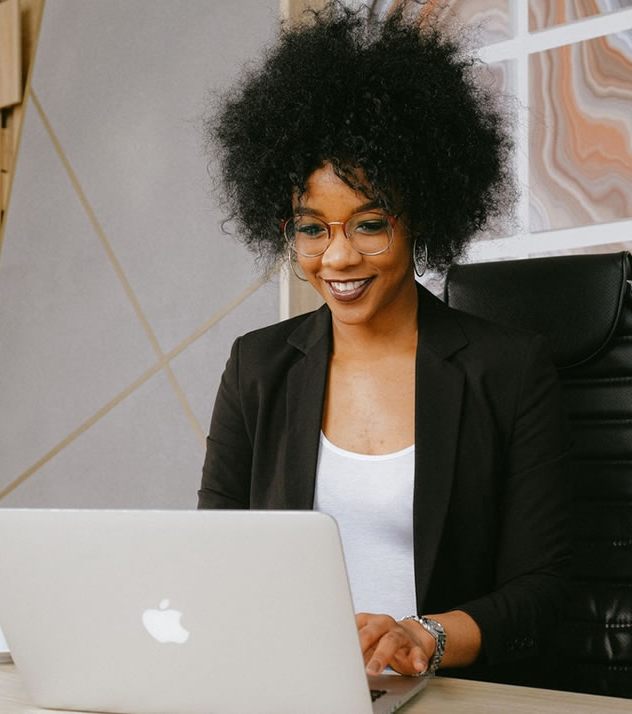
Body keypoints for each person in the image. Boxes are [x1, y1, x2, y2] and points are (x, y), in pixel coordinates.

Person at [198, 1, 571, 685]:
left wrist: (423, 636)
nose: (337, 258)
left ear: (420, 214)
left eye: (369, 224)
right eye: (312, 229)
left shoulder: (509, 370)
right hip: (291, 687)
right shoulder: (259, 366)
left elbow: (545, 591)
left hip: (447, 692)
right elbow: (217, 554)